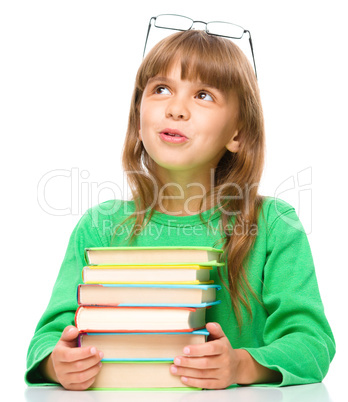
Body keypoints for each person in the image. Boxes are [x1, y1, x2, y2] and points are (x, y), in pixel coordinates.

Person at [25, 28, 335, 391]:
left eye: (203, 95)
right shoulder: (100, 226)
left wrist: (241, 366)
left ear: (237, 134)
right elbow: (45, 341)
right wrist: (57, 363)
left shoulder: (272, 225)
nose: (175, 108)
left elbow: (312, 345)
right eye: (161, 89)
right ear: (138, 119)